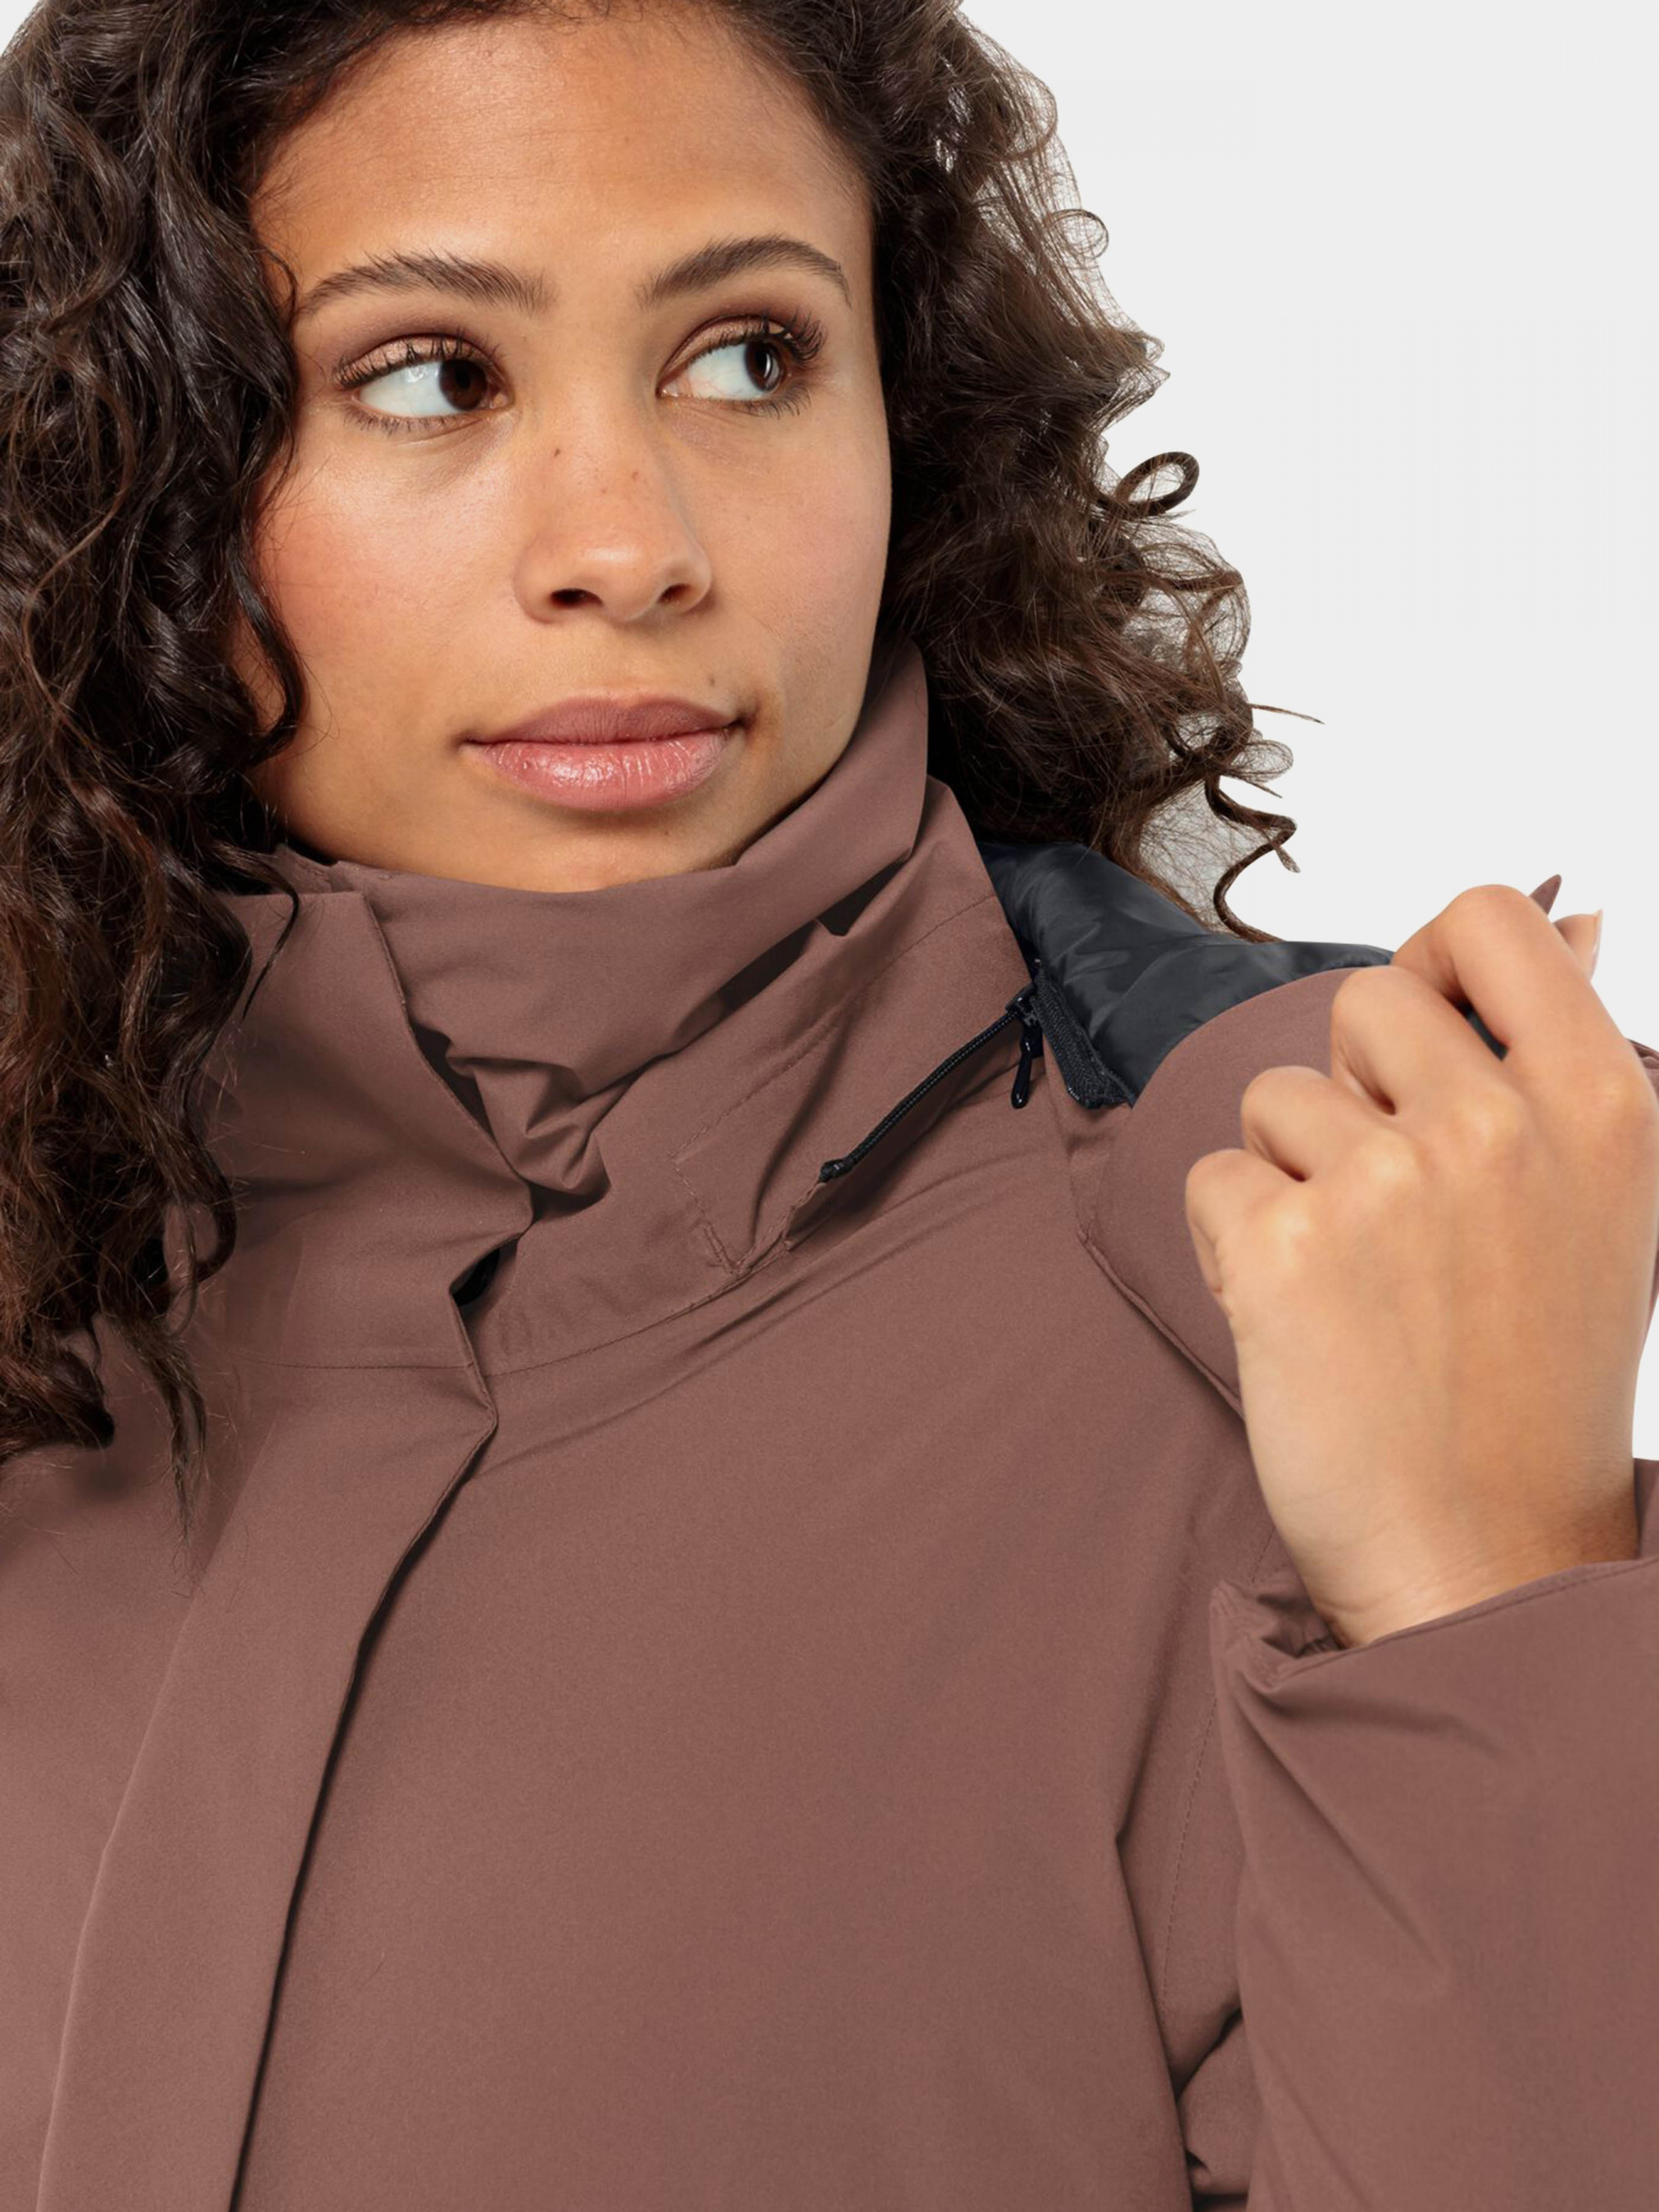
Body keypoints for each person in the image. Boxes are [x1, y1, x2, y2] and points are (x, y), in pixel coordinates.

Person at [2, 2, 1657, 2207]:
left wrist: (1487, 1593)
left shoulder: (1283, 1319)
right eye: (430, 378)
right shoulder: (47, 1261)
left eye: (749, 356)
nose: (627, 546)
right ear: (144, 468)